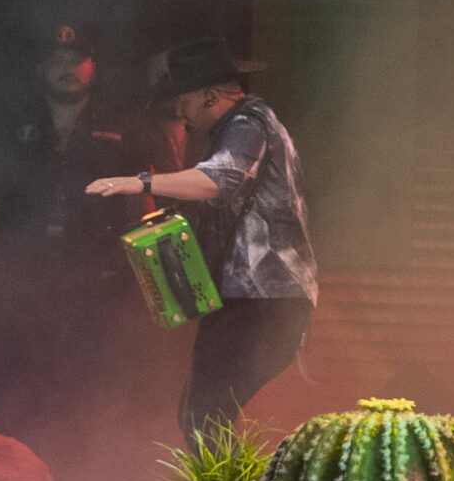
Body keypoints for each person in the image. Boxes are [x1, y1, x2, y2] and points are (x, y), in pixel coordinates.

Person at [0, 23, 176, 481]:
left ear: (93, 66)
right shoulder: (12, 123)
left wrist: (159, 289)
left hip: (94, 285)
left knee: (87, 390)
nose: (68, 70)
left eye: (77, 60)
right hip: (20, 283)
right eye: (57, 61)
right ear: (42, 67)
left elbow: (143, 206)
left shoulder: (123, 124)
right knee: (15, 391)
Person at [85, 37, 319, 442]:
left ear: (211, 96)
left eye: (184, 100)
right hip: (254, 299)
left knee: (205, 415)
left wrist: (138, 182)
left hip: (263, 302)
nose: (179, 111)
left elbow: (220, 178)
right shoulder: (242, 125)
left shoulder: (249, 124)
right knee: (201, 413)